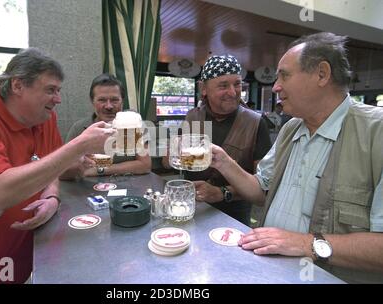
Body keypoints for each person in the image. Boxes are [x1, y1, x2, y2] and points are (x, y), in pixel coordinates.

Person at [210, 32, 383, 283]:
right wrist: (222, 160)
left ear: (322, 74)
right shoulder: (292, 128)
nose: (276, 86)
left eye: (284, 75)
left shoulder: (376, 133)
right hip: (270, 272)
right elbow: (261, 190)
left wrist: (305, 244)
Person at [0, 48, 114, 283]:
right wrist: (78, 146)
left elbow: (50, 170)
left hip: (15, 261)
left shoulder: (45, 118)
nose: (58, 99)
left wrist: (51, 198)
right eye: (50, 90)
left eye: (58, 91)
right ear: (18, 86)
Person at [171, 54, 272, 226]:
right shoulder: (192, 117)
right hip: (192, 206)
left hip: (235, 215)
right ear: (204, 88)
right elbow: (171, 161)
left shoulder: (256, 123)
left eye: (237, 84)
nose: (233, 93)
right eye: (223, 85)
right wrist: (173, 153)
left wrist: (222, 192)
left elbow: (264, 188)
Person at [60, 73, 151, 180]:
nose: (109, 106)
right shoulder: (79, 128)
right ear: (92, 101)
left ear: (122, 101)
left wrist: (99, 170)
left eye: (114, 100)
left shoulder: (135, 124)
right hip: (88, 191)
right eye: (102, 100)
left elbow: (145, 165)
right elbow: (62, 173)